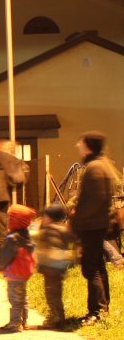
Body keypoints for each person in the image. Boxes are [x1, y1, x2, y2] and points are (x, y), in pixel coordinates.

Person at [69, 131, 119, 325]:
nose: (78, 145)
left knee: (91, 269)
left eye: (81, 142)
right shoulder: (99, 165)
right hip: (96, 224)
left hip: (92, 225)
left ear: (89, 145)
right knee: (97, 266)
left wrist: (76, 219)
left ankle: (96, 312)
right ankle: (102, 308)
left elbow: (94, 201)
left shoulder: (95, 167)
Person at [0, 204, 37, 332]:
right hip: (24, 271)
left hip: (15, 272)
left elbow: (5, 255)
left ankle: (15, 323)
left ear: (15, 220)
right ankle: (23, 321)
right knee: (22, 298)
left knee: (15, 299)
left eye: (10, 217)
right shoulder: (26, 235)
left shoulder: (13, 238)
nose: (7, 220)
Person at [36, 205, 73, 330]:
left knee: (51, 294)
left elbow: (46, 247)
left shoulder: (48, 230)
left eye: (44, 216)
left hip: (50, 266)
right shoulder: (65, 229)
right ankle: (60, 318)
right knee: (57, 293)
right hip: (61, 266)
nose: (43, 219)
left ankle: (56, 319)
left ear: (50, 217)